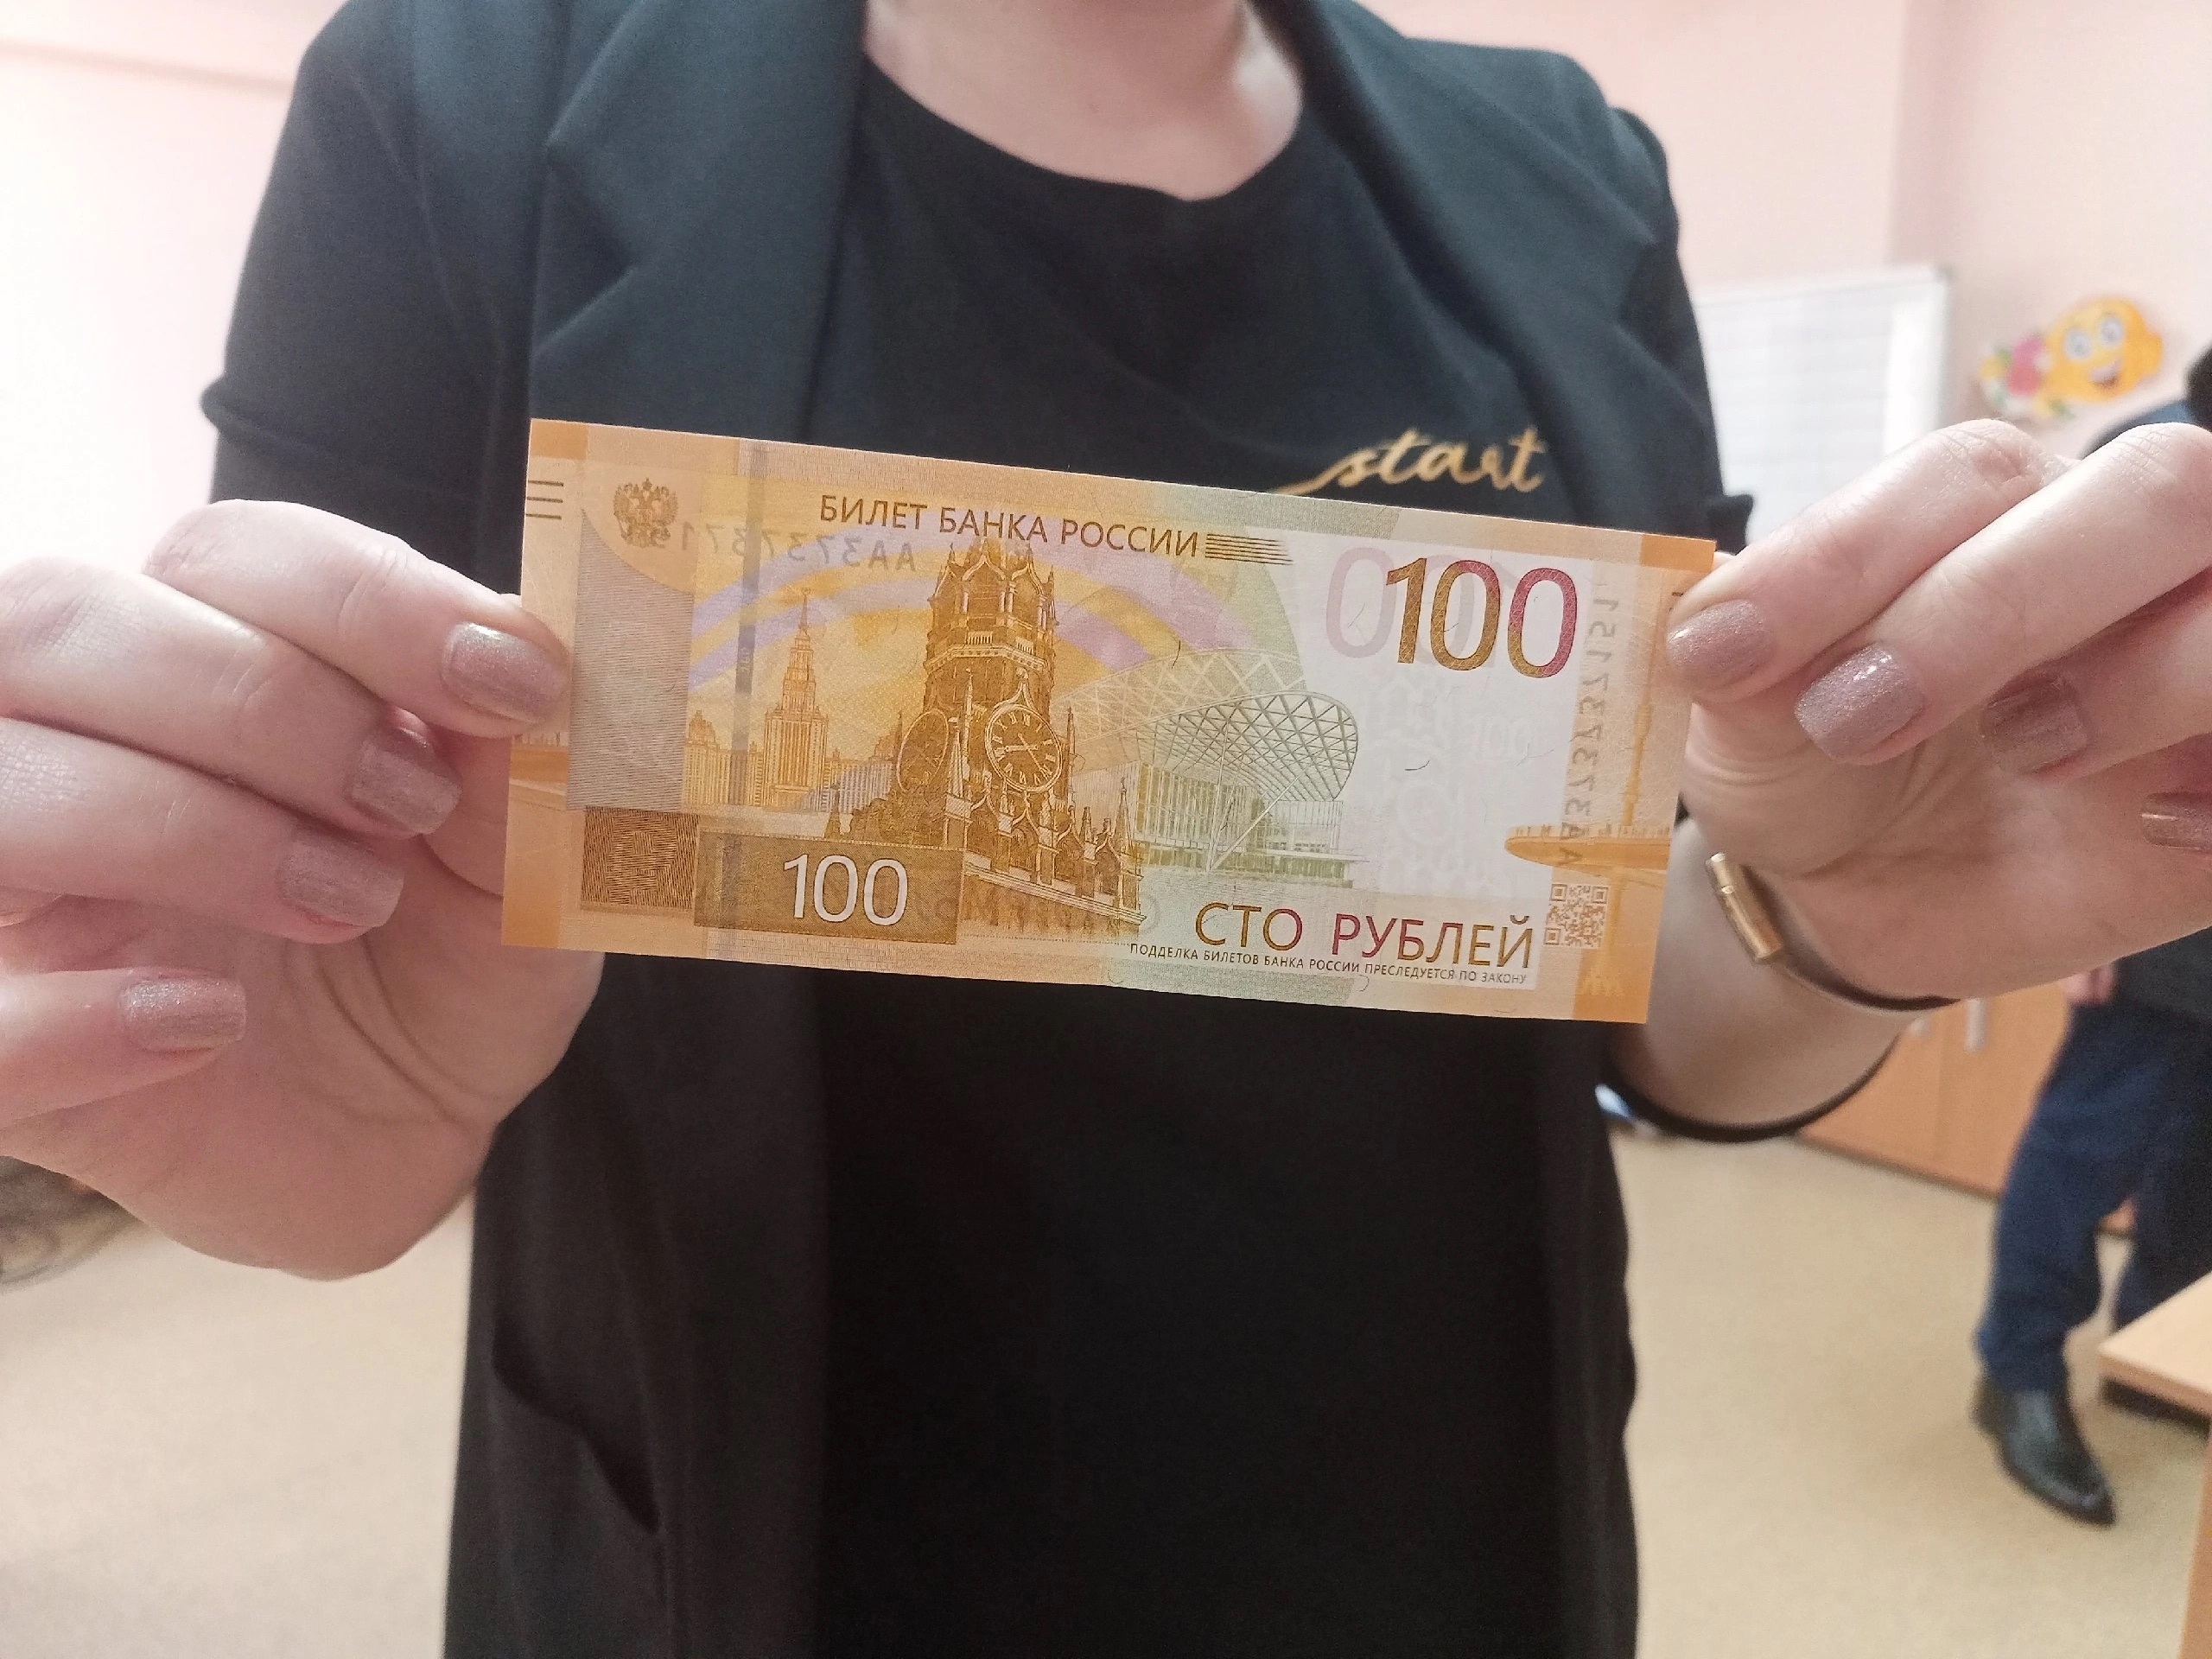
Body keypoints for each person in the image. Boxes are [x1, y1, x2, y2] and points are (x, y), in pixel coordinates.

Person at [3, 2, 2211, 1653]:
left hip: (1443, 1527)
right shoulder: (460, 93)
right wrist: (278, 1045)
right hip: (763, 1537)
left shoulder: (1567, 170)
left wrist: (1835, 919)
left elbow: (1640, 959)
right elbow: (332, 920)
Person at [1974, 345, 2212, 1527]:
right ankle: (2018, 1371)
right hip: (2151, 877)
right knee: (2091, 1144)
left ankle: (2150, 1349)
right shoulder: (2149, 460)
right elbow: (2057, 684)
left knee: (2205, 1160)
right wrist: (2079, 913)